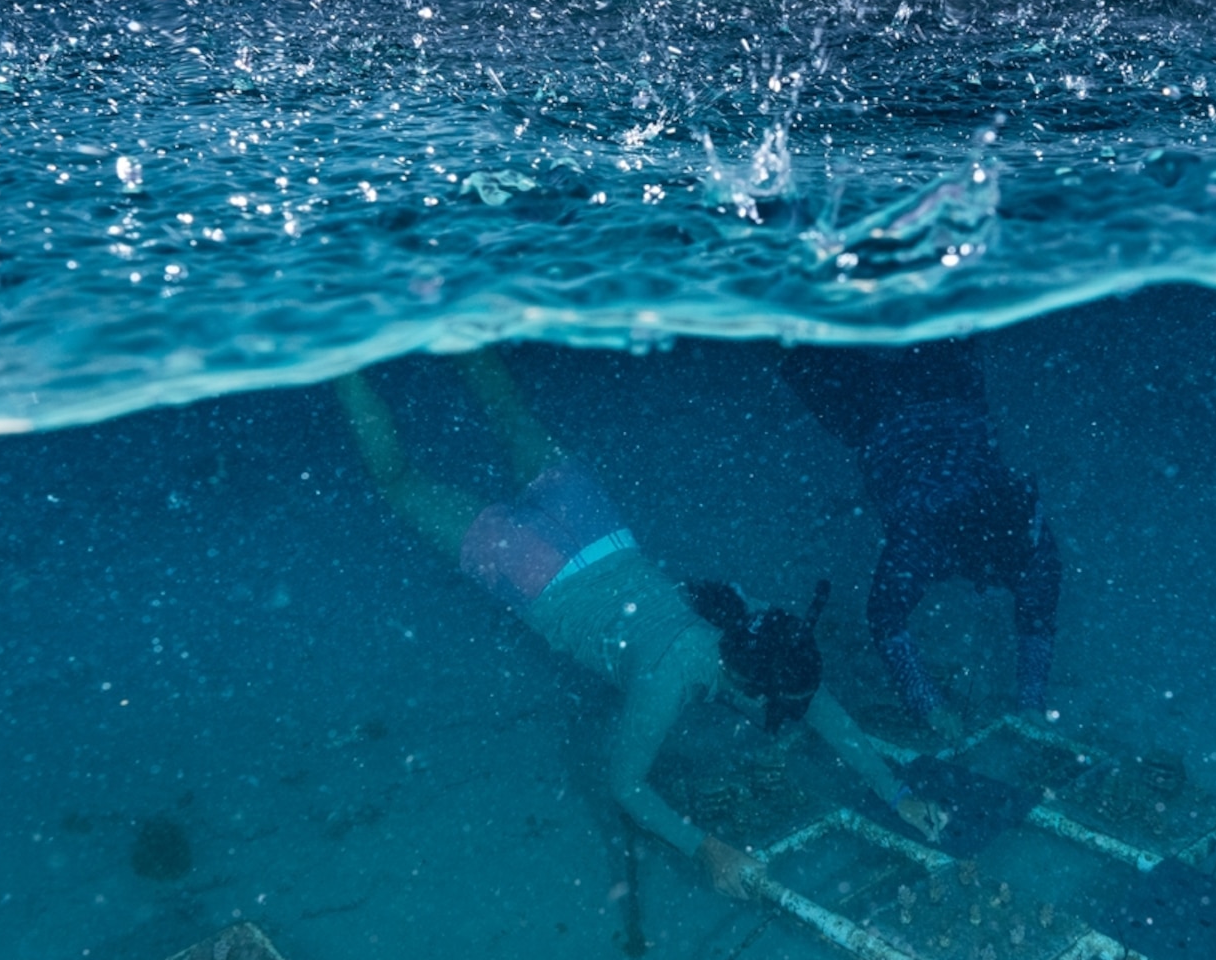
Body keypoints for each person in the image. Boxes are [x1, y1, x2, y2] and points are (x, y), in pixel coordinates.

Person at [333, 351, 949, 893]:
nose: (783, 721)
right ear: (742, 686)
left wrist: (897, 792)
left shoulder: (754, 624)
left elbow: (815, 702)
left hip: (593, 523)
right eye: (775, 711)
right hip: (536, 571)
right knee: (399, 483)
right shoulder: (666, 681)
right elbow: (625, 785)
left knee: (507, 408)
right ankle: (343, 359)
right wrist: (706, 849)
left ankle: (449, 319)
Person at [778, 339, 1062, 737]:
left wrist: (1031, 705)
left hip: (940, 391)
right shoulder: (928, 529)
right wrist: (928, 704)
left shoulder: (1028, 539)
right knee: (791, 345)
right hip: (875, 411)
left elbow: (1037, 620)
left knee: (805, 342)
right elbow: (885, 616)